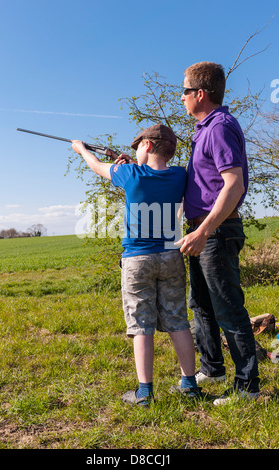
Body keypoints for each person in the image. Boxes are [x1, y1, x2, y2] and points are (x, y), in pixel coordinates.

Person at [72, 124, 201, 407]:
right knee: (178, 320)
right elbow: (156, 175)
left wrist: (81, 149)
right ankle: (189, 385)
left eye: (138, 145)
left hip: (137, 260)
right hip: (170, 256)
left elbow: (96, 166)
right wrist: (134, 162)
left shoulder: (129, 174)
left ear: (148, 146)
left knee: (141, 325)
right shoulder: (180, 174)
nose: (136, 151)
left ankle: (144, 393)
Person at [175, 61, 260, 405]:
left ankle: (247, 389)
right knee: (202, 305)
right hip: (202, 230)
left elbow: (234, 185)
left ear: (200, 94)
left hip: (216, 231)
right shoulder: (203, 129)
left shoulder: (219, 127)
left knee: (227, 308)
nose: (181, 98)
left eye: (184, 91)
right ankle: (213, 368)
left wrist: (204, 232)